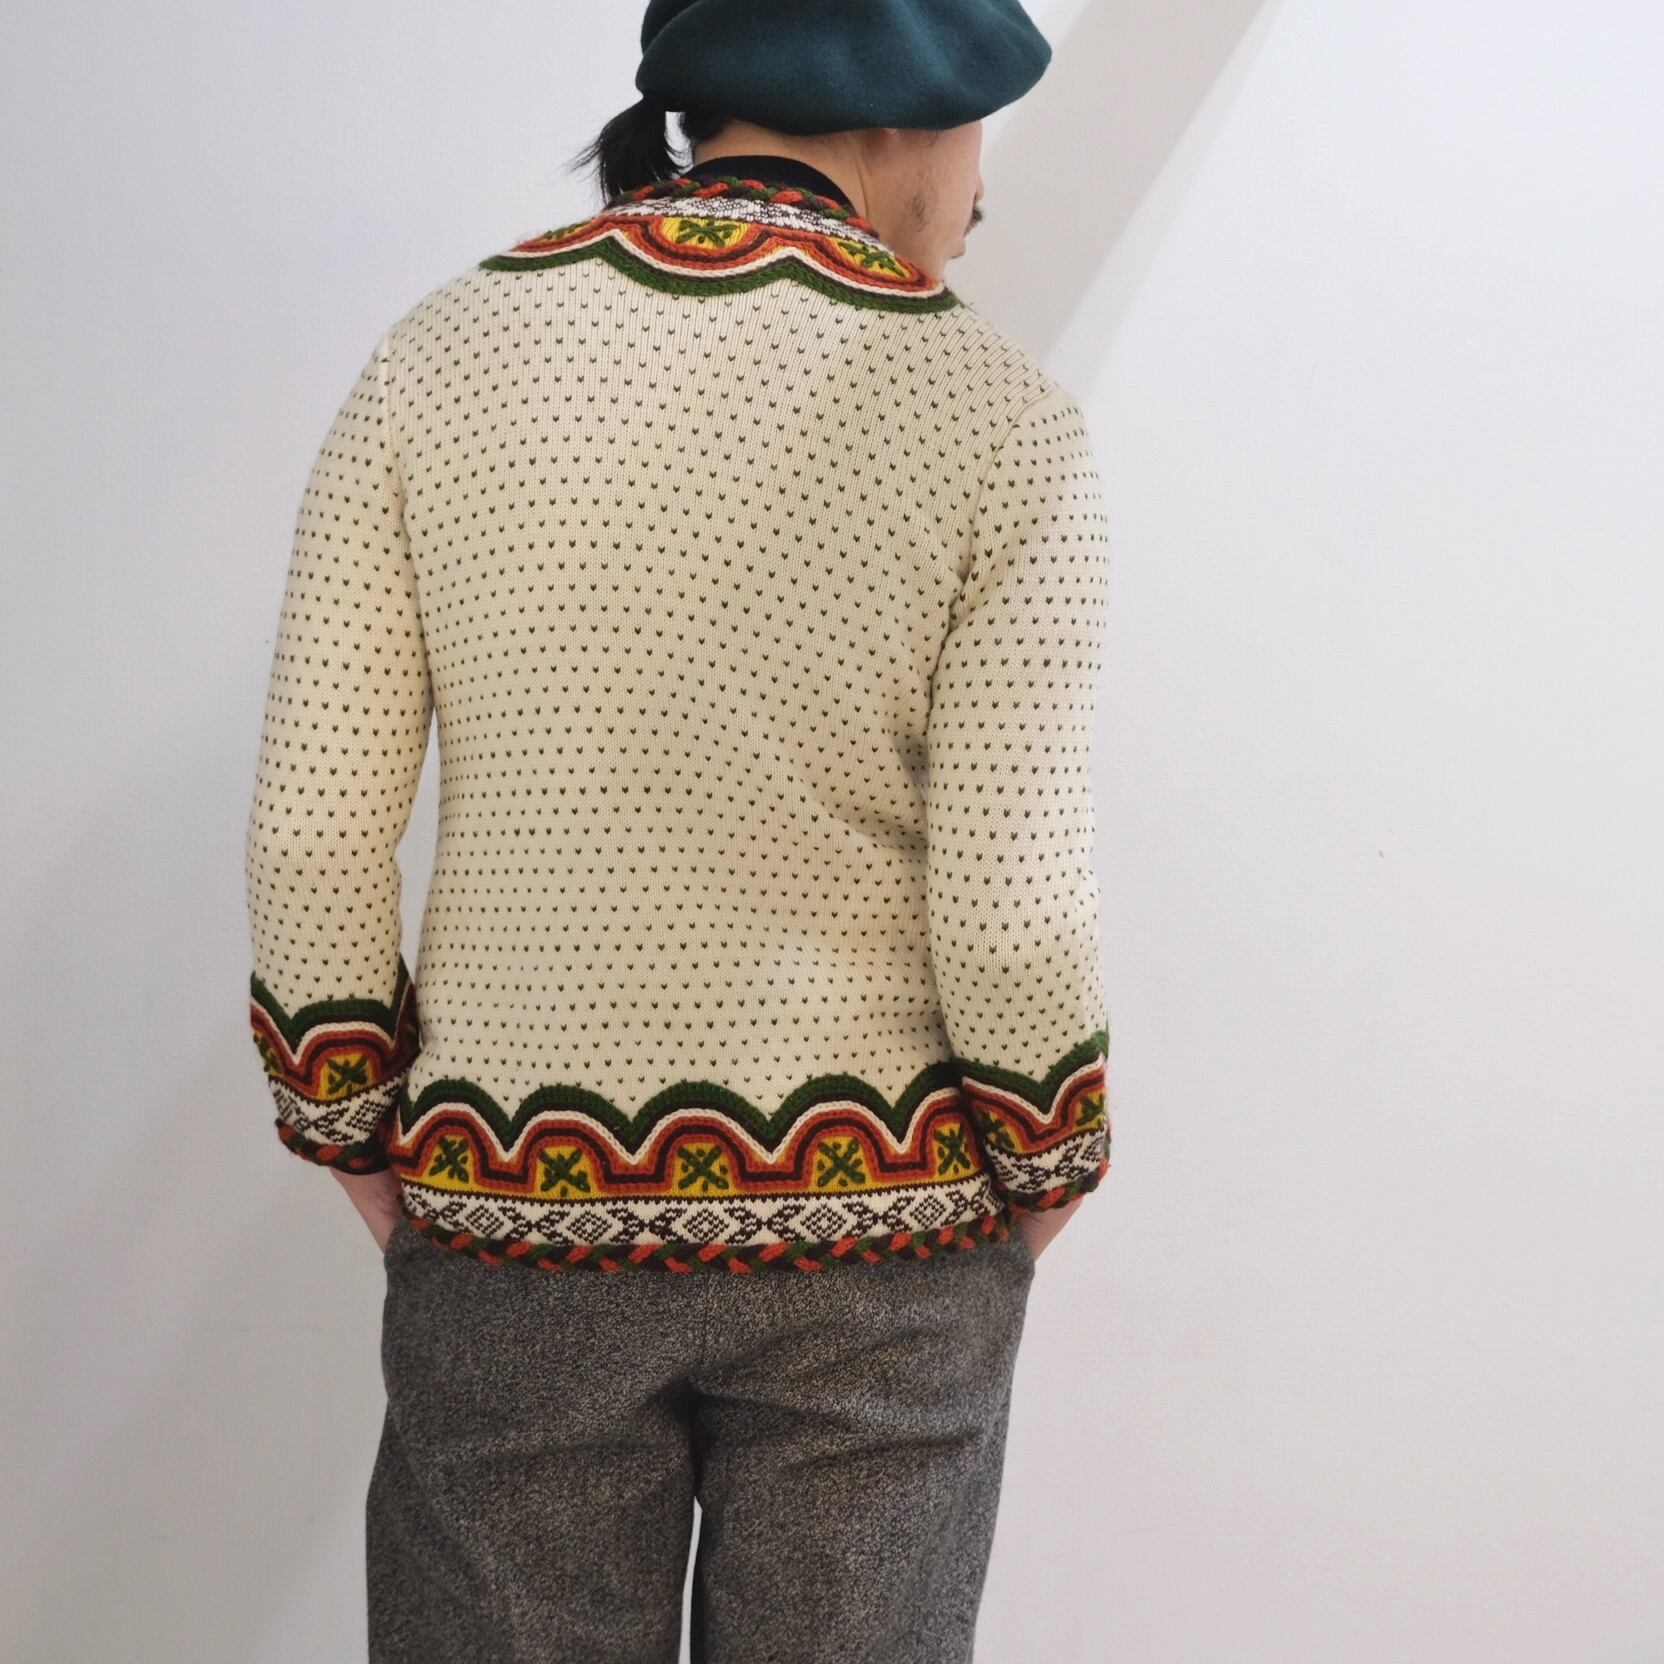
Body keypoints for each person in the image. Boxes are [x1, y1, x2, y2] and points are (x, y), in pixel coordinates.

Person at [242, 1, 1115, 1657]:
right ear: (898, 120)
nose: (979, 190)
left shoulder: (440, 356)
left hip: (512, 1214)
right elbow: (1012, 908)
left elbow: (311, 831)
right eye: (975, 133)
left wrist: (354, 1125)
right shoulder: (1000, 414)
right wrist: (1045, 1164)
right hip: (885, 1237)